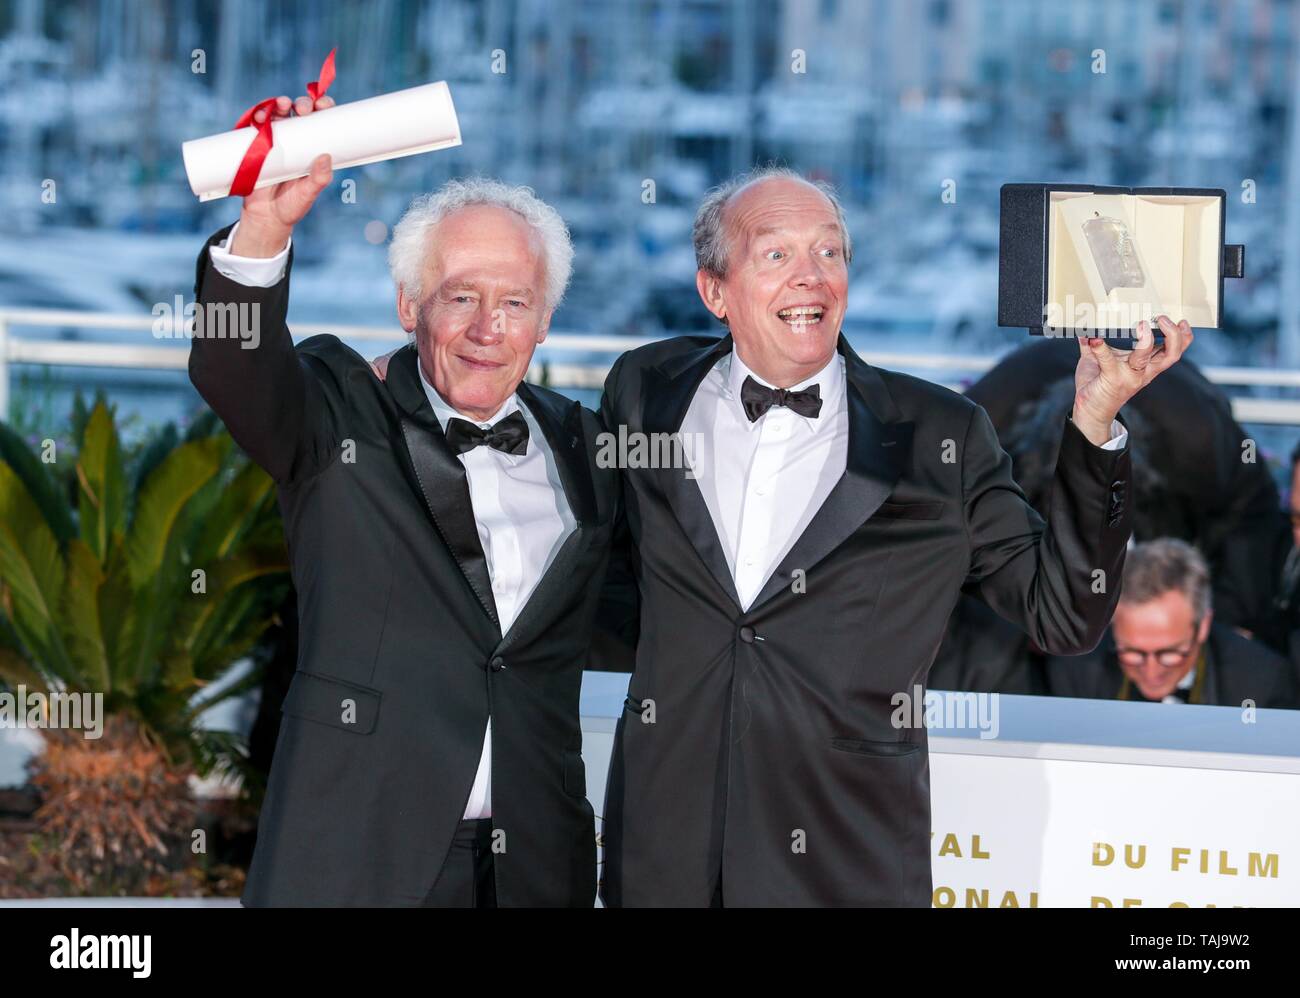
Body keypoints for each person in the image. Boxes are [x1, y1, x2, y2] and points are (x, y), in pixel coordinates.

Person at [598, 165, 1190, 907]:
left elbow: (1066, 614)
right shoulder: (645, 388)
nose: (811, 278)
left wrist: (1096, 421)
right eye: (776, 255)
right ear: (715, 291)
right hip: (661, 855)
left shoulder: (941, 435)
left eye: (830, 253)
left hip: (845, 861)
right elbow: (605, 562)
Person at [189, 91, 618, 906]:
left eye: (515, 302)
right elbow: (235, 371)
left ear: (545, 322)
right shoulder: (338, 416)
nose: (488, 327)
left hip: (534, 864)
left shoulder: (589, 448)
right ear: (410, 307)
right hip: (356, 854)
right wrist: (264, 233)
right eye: (461, 296)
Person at [1043, 538, 1298, 707]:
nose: (1152, 672)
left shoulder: (1261, 685)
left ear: (1203, 626)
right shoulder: (1076, 672)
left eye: (1169, 653)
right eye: (1132, 652)